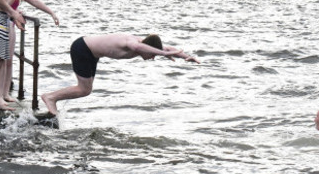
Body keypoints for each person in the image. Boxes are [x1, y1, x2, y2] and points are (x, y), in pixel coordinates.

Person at [41, 34, 200, 115]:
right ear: (147, 48)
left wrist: (187, 57)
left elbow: (168, 48)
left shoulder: (142, 42)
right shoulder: (132, 43)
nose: (152, 58)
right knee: (84, 90)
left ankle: (52, 98)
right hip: (82, 48)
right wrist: (163, 54)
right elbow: (140, 49)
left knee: (85, 90)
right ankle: (50, 97)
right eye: (152, 55)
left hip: (91, 53)